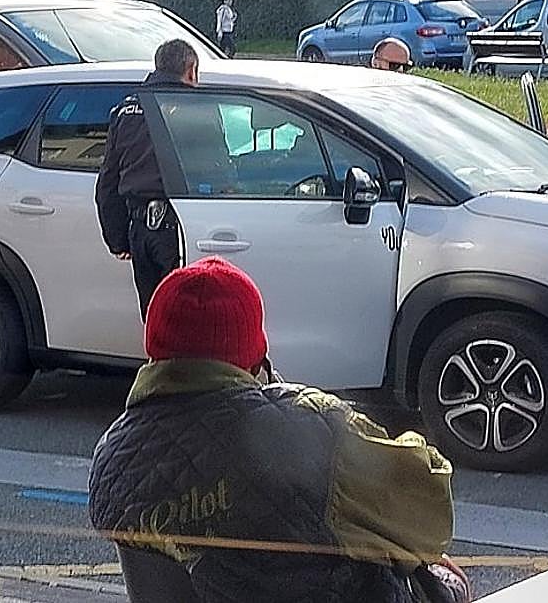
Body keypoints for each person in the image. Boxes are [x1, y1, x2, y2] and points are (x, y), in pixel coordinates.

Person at [89, 257, 470, 603]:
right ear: (254, 352)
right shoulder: (308, 426)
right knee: (442, 580)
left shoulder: (111, 457)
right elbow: (429, 515)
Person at [95, 39, 199, 318]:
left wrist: (118, 239)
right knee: (184, 319)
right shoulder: (195, 108)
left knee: (154, 319)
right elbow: (221, 169)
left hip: (139, 229)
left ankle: (157, 361)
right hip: (179, 229)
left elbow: (108, 181)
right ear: (191, 71)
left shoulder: (125, 109)